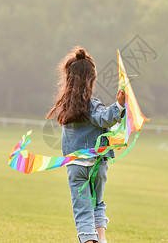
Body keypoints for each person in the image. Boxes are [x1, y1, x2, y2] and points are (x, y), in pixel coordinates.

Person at [46, 46, 125, 243]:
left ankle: (89, 241)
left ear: (69, 78)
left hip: (76, 166)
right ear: (92, 79)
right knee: (97, 203)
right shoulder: (92, 104)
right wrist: (120, 105)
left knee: (82, 210)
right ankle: (101, 239)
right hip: (97, 164)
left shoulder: (66, 105)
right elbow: (105, 119)